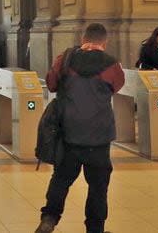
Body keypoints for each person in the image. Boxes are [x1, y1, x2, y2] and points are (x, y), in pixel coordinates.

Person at [35, 23, 125, 233]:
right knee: (98, 187)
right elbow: (117, 86)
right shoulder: (112, 64)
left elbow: (51, 83)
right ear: (104, 41)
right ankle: (95, 229)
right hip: (99, 136)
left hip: (69, 132)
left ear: (83, 38)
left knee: (61, 179)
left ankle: (49, 218)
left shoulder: (65, 58)